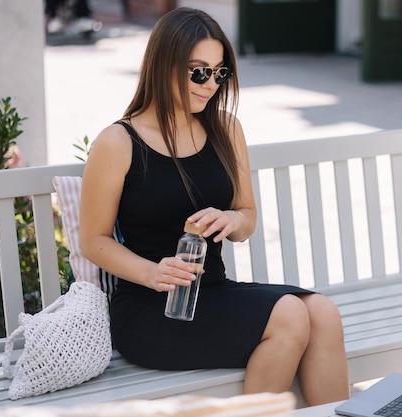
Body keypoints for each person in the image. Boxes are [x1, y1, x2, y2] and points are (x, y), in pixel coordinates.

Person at [79, 7, 350, 406]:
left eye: (220, 73)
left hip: (213, 292)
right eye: (199, 71)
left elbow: (248, 217)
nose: (210, 84)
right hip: (151, 309)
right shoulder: (118, 142)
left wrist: (231, 219)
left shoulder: (225, 128)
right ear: (164, 63)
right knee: (291, 314)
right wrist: (153, 272)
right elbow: (93, 240)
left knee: (323, 312)